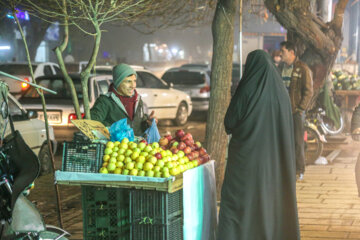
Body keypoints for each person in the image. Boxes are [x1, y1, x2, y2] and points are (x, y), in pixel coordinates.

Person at [217, 50, 300, 240]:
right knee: (269, 203)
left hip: (246, 162)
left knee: (240, 204)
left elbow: (229, 122)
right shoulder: (281, 92)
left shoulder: (247, 89)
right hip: (275, 162)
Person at [90, 63, 157, 136]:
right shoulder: (105, 101)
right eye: (128, 81)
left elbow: (138, 126)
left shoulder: (137, 100)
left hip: (136, 146)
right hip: (116, 146)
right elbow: (92, 123)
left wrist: (147, 122)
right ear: (118, 82)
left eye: (134, 81)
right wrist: (114, 128)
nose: (133, 86)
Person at [280, 41, 313, 180]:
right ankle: (287, 169)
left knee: (298, 142)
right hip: (283, 111)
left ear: (292, 52)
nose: (281, 54)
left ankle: (299, 170)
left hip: (296, 112)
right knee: (284, 141)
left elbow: (309, 91)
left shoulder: (302, 68)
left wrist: (300, 109)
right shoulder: (281, 68)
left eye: (283, 51)